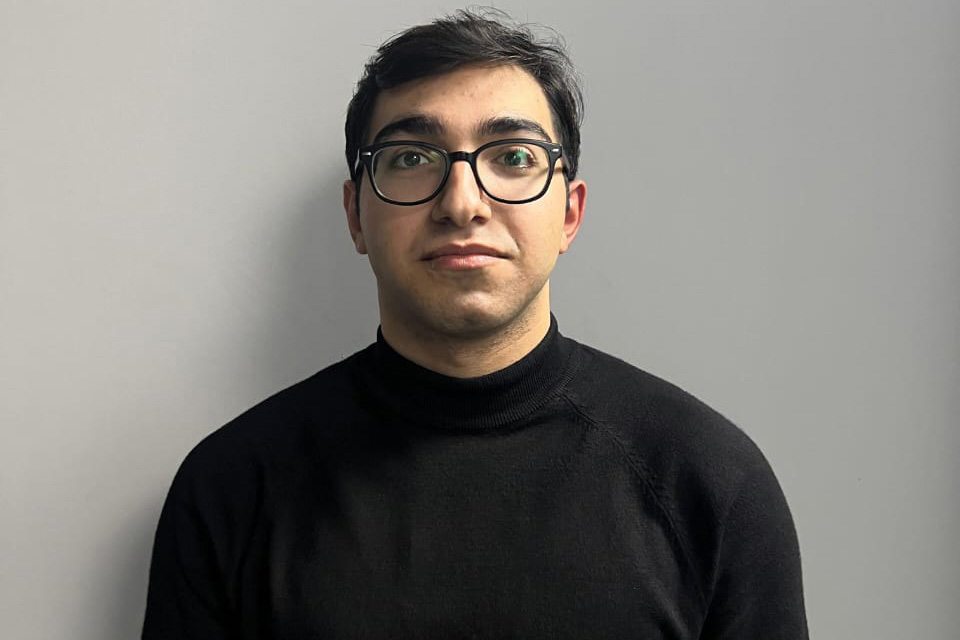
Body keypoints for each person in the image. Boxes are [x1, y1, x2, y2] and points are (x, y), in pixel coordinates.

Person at [142, 9, 808, 639]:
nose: (462, 204)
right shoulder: (231, 488)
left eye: (512, 157)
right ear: (355, 216)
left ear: (569, 214)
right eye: (411, 158)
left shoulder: (709, 481)